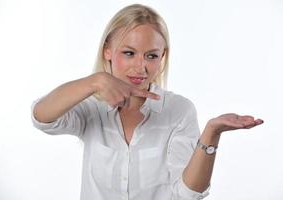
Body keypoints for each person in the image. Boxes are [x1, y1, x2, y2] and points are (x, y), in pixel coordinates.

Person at [31, 4, 263, 200]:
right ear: (108, 52)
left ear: (162, 58)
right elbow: (42, 117)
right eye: (129, 53)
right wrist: (96, 81)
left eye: (151, 56)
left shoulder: (178, 110)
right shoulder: (93, 107)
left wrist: (212, 134)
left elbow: (188, 193)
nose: (140, 67)